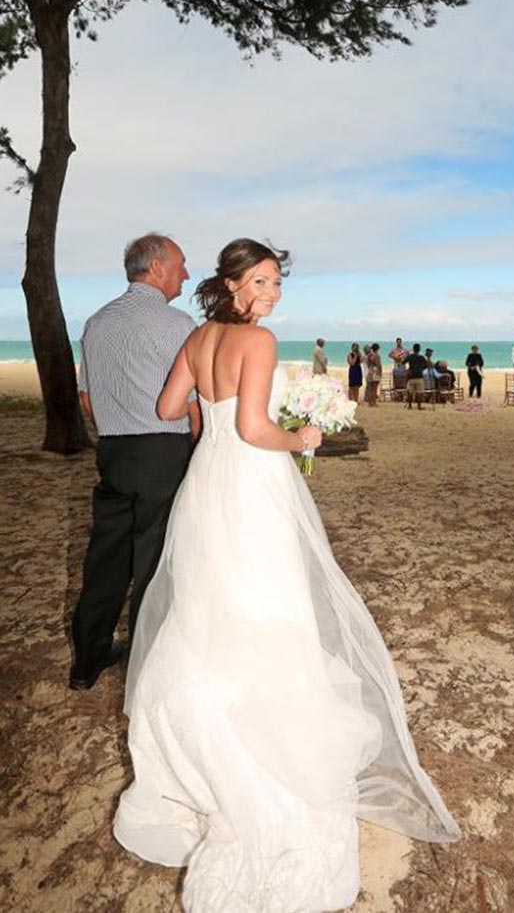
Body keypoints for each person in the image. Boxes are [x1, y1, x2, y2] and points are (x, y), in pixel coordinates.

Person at [113, 238, 459, 911]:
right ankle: (267, 750)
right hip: (250, 484)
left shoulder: (196, 338)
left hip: (205, 485)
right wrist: (300, 438)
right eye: (263, 281)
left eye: (277, 282)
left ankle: (200, 749)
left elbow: (165, 410)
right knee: (270, 601)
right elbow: (251, 426)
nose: (273, 294)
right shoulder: (258, 340)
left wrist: (205, 423)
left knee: (212, 605)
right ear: (235, 283)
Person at [70, 233, 198, 691]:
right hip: (163, 451)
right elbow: (193, 401)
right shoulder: (178, 325)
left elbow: (87, 399)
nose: (186, 272)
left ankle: (87, 659)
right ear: (158, 266)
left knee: (106, 555)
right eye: (181, 264)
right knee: (153, 558)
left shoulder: (96, 322)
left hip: (114, 450)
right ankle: (146, 664)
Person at [405, 342, 429, 409]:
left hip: (411, 376)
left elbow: (403, 362)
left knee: (410, 392)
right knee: (419, 392)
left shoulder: (410, 356)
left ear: (413, 349)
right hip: (419, 376)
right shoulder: (421, 357)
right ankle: (419, 406)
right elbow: (426, 365)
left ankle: (410, 406)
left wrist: (409, 369)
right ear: (419, 349)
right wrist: (421, 369)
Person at [366, 342, 383, 407]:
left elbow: (368, 364)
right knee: (375, 388)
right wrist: (380, 373)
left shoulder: (369, 355)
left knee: (370, 388)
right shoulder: (377, 356)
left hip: (370, 370)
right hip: (376, 371)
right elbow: (378, 365)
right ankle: (374, 402)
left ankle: (370, 402)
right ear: (377, 349)